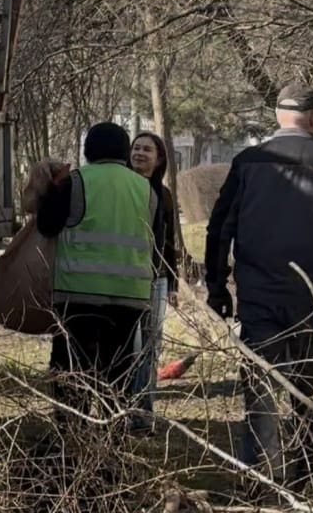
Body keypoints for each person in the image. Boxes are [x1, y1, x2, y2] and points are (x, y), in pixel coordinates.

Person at [205, 82, 313, 494]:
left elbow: (220, 228)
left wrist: (217, 287)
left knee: (260, 390)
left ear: (277, 116)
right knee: (311, 393)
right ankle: (310, 478)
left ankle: (262, 478)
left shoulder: (248, 162)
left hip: (258, 297)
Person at [37, 122, 158, 418]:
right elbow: (155, 241)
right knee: (118, 369)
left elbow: (47, 225)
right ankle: (112, 436)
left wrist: (48, 191)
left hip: (78, 292)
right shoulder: (147, 189)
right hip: (130, 295)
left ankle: (72, 434)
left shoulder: (74, 182)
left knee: (71, 368)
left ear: (88, 150)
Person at [129, 132, 178, 429]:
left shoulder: (164, 195)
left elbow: (169, 242)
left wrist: (172, 283)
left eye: (147, 149)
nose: (139, 153)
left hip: (156, 279)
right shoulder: (123, 188)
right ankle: (125, 409)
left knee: (150, 346)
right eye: (136, 148)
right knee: (130, 346)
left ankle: (143, 413)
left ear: (159, 159)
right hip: (126, 278)